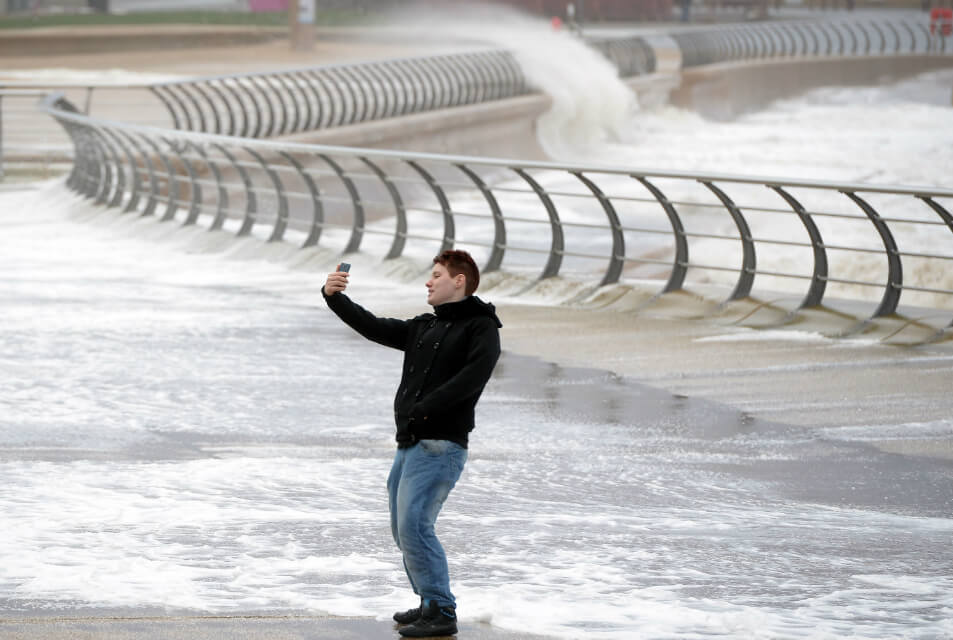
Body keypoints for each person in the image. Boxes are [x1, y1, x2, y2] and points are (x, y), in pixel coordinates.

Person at [321, 249, 502, 638]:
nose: (428, 281)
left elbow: (474, 377)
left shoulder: (480, 327)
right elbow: (373, 326)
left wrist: (423, 409)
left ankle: (441, 609)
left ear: (459, 281)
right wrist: (335, 298)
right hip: (410, 444)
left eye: (436, 275)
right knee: (403, 529)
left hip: (441, 445)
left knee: (416, 525)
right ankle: (427, 601)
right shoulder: (426, 327)